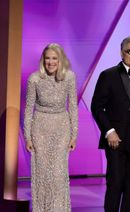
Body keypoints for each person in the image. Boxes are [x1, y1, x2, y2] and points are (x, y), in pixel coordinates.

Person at [91, 36, 130, 212]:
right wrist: (109, 131)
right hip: (115, 140)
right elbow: (97, 107)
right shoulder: (108, 75)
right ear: (122, 52)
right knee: (115, 184)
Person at [24, 43, 78, 212]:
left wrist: (74, 135)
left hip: (61, 128)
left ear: (60, 60)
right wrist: (27, 136)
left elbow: (73, 107)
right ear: (43, 60)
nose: (51, 62)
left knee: (57, 173)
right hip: (39, 128)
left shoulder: (69, 77)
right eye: (47, 58)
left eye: (54, 58)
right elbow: (28, 108)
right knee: (41, 173)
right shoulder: (34, 78)